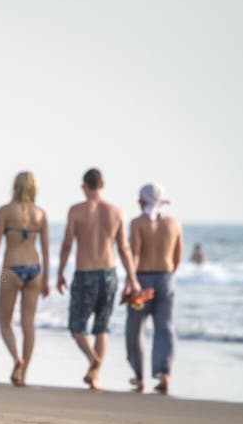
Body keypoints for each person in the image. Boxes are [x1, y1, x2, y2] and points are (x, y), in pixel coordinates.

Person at [57, 168, 140, 390]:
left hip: (85, 273)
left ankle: (94, 360)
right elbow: (124, 248)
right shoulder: (116, 211)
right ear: (102, 186)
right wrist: (132, 278)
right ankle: (94, 376)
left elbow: (67, 244)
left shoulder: (76, 210)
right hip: (109, 274)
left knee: (77, 326)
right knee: (101, 328)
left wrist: (60, 272)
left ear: (85, 185)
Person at [0, 171, 50, 387]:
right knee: (28, 323)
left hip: (11, 268)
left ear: (15, 187)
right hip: (35, 269)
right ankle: (24, 374)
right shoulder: (41, 214)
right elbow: (46, 250)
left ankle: (16, 359)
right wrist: (46, 279)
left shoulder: (6, 211)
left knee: (5, 322)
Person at [126, 183, 182, 394]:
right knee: (165, 327)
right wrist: (167, 274)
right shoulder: (174, 223)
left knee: (135, 328)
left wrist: (130, 281)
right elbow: (177, 256)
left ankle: (139, 376)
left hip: (142, 279)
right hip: (166, 278)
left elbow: (136, 253)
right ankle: (163, 373)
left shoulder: (138, 223)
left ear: (144, 200)